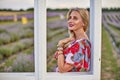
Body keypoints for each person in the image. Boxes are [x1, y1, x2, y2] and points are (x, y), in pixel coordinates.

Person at [54, 8, 91, 73]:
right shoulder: (75, 41)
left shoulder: (81, 44)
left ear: (84, 23)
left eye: (75, 18)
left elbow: (62, 69)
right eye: (70, 18)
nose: (70, 21)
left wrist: (60, 46)